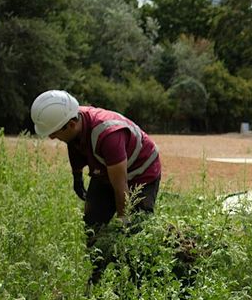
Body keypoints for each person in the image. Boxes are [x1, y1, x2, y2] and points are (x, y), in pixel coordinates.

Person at [31, 90, 162, 279]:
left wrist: (123, 220)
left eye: (54, 133)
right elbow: (74, 145)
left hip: (140, 173)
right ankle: (97, 275)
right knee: (93, 225)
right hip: (107, 169)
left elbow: (121, 187)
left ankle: (135, 280)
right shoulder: (73, 119)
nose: (51, 138)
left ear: (71, 124)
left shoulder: (109, 136)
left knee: (136, 231)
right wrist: (77, 176)